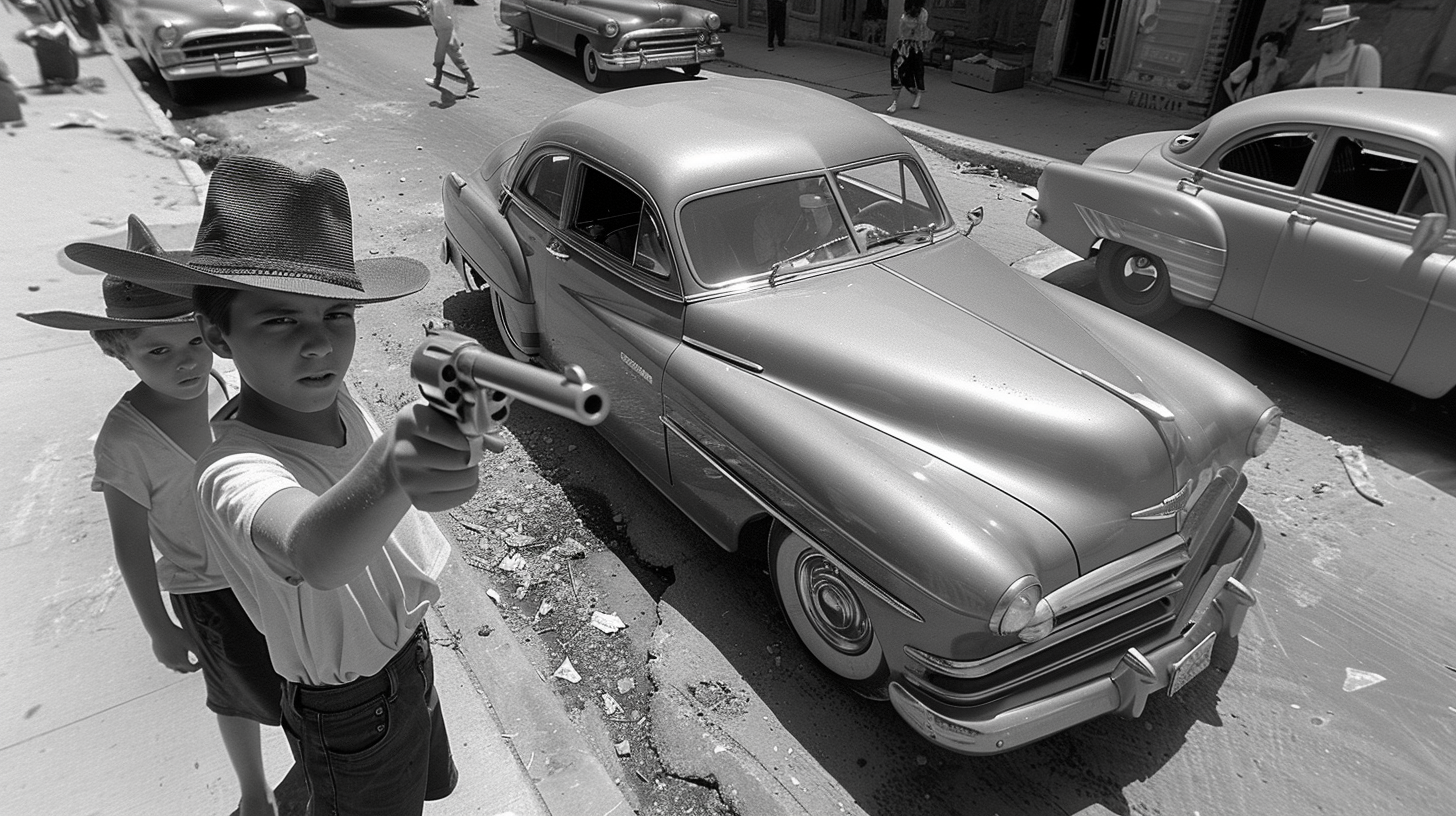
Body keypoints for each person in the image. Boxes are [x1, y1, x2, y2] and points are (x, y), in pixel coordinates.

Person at [66, 155, 491, 815]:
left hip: (408, 653)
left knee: (428, 790)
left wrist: (446, 452)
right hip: (350, 703)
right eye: (280, 320)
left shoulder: (331, 397)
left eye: (336, 316)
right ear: (218, 336)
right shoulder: (230, 468)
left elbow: (413, 503)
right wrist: (402, 460)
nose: (319, 344)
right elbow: (313, 552)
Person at [19, 217, 285, 816]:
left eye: (195, 341)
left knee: (302, 680)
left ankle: (316, 765)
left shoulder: (228, 384)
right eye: (157, 351)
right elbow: (131, 544)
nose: (186, 363)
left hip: (271, 570)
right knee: (237, 696)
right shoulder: (126, 441)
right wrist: (158, 626)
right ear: (117, 350)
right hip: (210, 590)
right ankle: (253, 792)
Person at [1291, 4, 1381, 88]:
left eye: (1332, 34)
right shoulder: (1322, 61)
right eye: (1323, 35)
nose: (1326, 40)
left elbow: (1368, 94)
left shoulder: (1364, 53)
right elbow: (1300, 88)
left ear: (1346, 31)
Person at [14, 0, 80, 91]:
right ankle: (67, 80)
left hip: (50, 75)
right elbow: (76, 46)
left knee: (43, 48)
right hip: (71, 75)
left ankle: (54, 81)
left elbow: (19, 37)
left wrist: (32, 43)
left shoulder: (35, 30)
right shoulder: (62, 26)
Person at [421, 0, 477, 92]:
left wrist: (427, 13)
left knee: (440, 57)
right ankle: (471, 82)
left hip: (444, 33)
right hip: (447, 32)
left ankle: (437, 80)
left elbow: (440, 21)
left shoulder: (437, 3)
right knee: (455, 56)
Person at [886, 0, 931, 114]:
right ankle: (895, 101)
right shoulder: (906, 14)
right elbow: (902, 30)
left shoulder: (922, 13)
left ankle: (917, 93)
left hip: (915, 47)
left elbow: (921, 29)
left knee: (916, 71)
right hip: (902, 46)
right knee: (897, 70)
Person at [1222, 30, 1289, 103]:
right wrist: (1234, 101)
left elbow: (1281, 84)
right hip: (1245, 102)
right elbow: (1227, 82)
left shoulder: (1280, 65)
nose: (1266, 54)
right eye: (1266, 50)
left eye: (1270, 51)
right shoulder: (1252, 64)